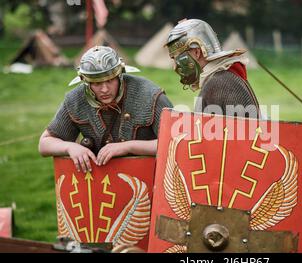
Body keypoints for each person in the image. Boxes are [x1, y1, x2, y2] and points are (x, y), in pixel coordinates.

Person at [39, 46, 173, 173]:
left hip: (150, 180)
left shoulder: (149, 95)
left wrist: (127, 147)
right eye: (97, 83)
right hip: (103, 186)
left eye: (110, 81)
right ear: (86, 81)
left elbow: (175, 143)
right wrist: (70, 147)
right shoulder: (76, 100)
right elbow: (45, 144)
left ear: (120, 75)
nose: (104, 89)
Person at [165, 19, 260, 118]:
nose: (174, 66)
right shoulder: (225, 77)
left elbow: (202, 131)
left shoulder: (216, 85)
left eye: (176, 58)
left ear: (197, 52)